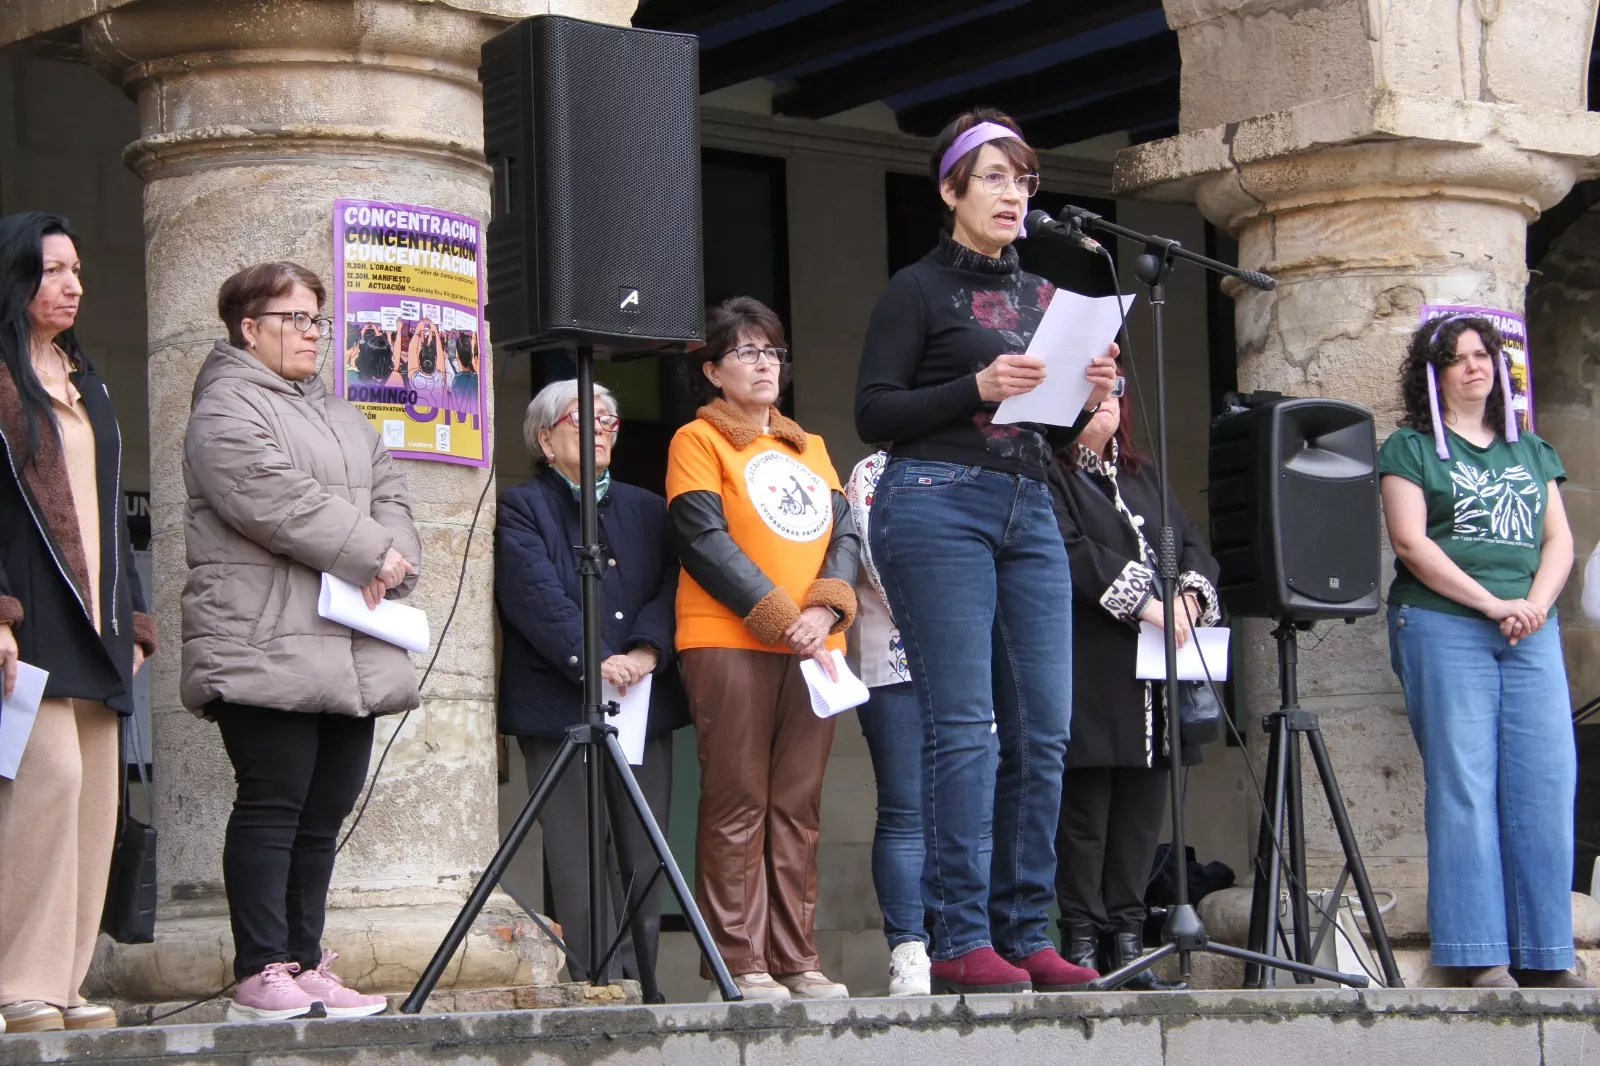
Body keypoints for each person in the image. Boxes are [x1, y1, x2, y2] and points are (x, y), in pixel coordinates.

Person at [854, 108, 1117, 995]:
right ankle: (959, 938)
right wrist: (975, 382)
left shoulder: (1046, 299)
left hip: (1030, 504)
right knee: (966, 727)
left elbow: (1052, 427)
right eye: (996, 177)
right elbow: (874, 411)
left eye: (1025, 180)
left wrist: (1091, 395)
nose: (1015, 194)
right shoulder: (917, 290)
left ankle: (1023, 932)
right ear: (951, 190)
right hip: (935, 501)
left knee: (1044, 729)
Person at [182, 261, 421, 1022]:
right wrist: (371, 552)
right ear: (249, 329)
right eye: (295, 319)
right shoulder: (224, 405)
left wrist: (394, 554)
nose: (312, 333)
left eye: (317, 319)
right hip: (262, 638)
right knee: (274, 802)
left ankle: (305, 962)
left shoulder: (344, 415)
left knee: (324, 810)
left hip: (346, 643)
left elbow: (391, 491)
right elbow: (270, 495)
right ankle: (261, 969)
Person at [1380, 312, 1586, 991]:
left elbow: (1559, 539)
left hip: (1530, 629)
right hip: (1445, 622)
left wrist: (1535, 604)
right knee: (1465, 787)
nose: (1474, 367)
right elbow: (1411, 543)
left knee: (1545, 785)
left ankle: (1546, 955)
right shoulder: (1410, 448)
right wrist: (1493, 603)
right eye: (1457, 358)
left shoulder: (1532, 449)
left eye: (1483, 355)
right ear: (1433, 375)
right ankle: (1477, 954)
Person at [667, 296, 860, 1002]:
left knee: (799, 804)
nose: (764, 364)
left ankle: (796, 957)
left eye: (772, 352)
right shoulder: (698, 439)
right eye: (746, 352)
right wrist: (783, 617)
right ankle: (739, 961)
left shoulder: (811, 447)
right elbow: (702, 538)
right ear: (713, 370)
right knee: (737, 798)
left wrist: (823, 609)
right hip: (729, 638)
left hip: (815, 646)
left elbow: (845, 534)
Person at [0, 211, 157, 1034]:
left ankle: (63, 982)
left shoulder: (84, 378)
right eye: (53, 270)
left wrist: (134, 621)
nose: (72, 286)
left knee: (96, 799)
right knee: (49, 781)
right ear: (16, 276)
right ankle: (16, 982)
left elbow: (106, 511)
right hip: (30, 613)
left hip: (98, 620)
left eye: (77, 271)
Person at [495, 378, 685, 986]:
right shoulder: (522, 506)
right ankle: (599, 984)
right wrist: (596, 657)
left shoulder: (648, 507)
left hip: (639, 698)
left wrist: (647, 650)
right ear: (544, 439)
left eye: (608, 420)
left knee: (644, 849)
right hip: (558, 703)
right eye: (583, 418)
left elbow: (675, 583)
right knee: (577, 852)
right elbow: (533, 594)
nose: (600, 428)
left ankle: (643, 982)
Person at [1045, 374, 1217, 991]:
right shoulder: (1051, 472)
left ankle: (1128, 944)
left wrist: (1190, 598)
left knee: (1141, 818)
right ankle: (1082, 943)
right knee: (1085, 814)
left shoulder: (1144, 475)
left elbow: (1192, 544)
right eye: (1092, 394)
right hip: (1090, 664)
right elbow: (1070, 551)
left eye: (1114, 392)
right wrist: (1148, 602)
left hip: (1155, 678)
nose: (1106, 404)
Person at [846, 452, 998, 997]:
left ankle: (971, 942)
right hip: (896, 661)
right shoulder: (875, 470)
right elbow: (876, 558)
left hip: (975, 661)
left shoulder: (984, 465)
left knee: (980, 816)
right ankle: (910, 948)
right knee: (907, 812)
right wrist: (952, 627)